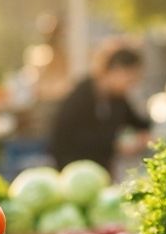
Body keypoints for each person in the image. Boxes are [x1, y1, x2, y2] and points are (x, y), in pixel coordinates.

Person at [47, 40, 150, 174]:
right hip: (74, 170)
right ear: (116, 70)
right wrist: (115, 145)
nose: (133, 84)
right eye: (130, 78)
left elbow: (138, 123)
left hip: (102, 172)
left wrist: (145, 136)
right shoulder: (81, 95)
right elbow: (70, 138)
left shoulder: (118, 98)